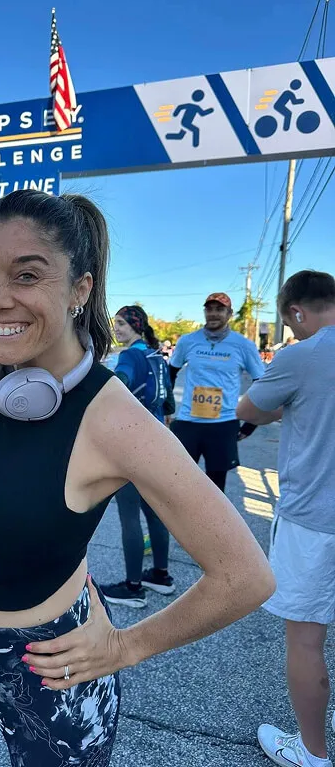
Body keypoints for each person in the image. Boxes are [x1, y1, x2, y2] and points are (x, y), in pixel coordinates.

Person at [0, 190, 274, 767]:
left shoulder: (116, 421)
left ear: (80, 289)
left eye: (26, 275)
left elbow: (245, 576)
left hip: (55, 672)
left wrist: (125, 646)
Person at [237, 270, 335, 767]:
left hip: (316, 520)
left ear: (296, 312)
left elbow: (250, 408)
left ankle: (314, 752)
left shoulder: (305, 354)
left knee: (306, 639)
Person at [101, 305, 177, 609]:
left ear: (135, 325)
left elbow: (116, 383)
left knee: (129, 516)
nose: (116, 329)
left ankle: (133, 587)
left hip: (131, 445)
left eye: (120, 324)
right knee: (156, 513)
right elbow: (169, 402)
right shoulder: (157, 355)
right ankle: (161, 574)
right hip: (157, 442)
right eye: (114, 323)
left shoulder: (130, 355)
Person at [168, 292, 265, 492]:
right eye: (209, 309)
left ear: (229, 313)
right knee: (178, 482)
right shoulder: (188, 341)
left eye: (219, 309)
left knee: (215, 487)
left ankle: (209, 523)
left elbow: (262, 383)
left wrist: (251, 424)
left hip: (223, 424)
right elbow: (170, 373)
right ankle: (181, 523)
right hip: (188, 422)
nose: (213, 314)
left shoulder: (243, 345)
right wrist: (167, 407)